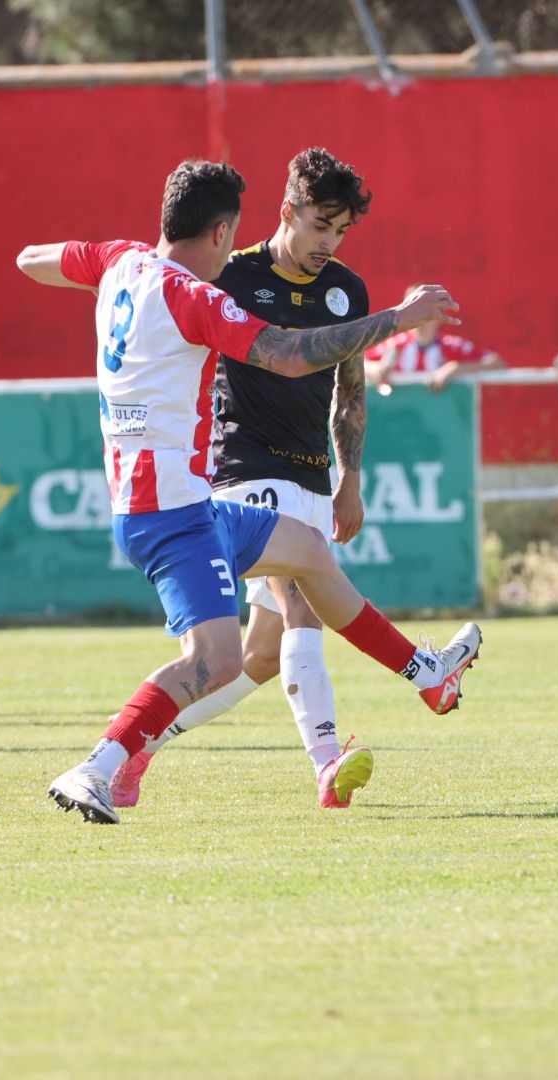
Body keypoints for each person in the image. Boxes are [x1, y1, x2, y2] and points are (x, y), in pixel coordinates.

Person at [15, 158, 482, 825]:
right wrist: (398, 321)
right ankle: (98, 767)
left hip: (184, 501)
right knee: (216, 657)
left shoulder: (121, 261)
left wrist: (94, 278)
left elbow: (32, 258)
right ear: (220, 232)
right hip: (171, 512)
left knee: (311, 557)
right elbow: (290, 355)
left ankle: (427, 674)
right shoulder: (195, 299)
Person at [111, 147, 378, 811]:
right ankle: (326, 764)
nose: (330, 241)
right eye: (320, 224)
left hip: (312, 473)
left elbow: (350, 389)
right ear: (287, 211)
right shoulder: (230, 274)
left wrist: (350, 479)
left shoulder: (347, 289)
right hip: (240, 468)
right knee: (302, 604)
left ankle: (139, 746)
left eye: (341, 230)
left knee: (258, 657)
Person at [364, 289, 505, 395]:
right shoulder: (395, 346)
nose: (418, 320)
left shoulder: (452, 346)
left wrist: (455, 368)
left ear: (438, 315)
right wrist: (373, 369)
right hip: (400, 423)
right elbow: (353, 361)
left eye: (424, 312)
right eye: (412, 312)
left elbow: (497, 363)